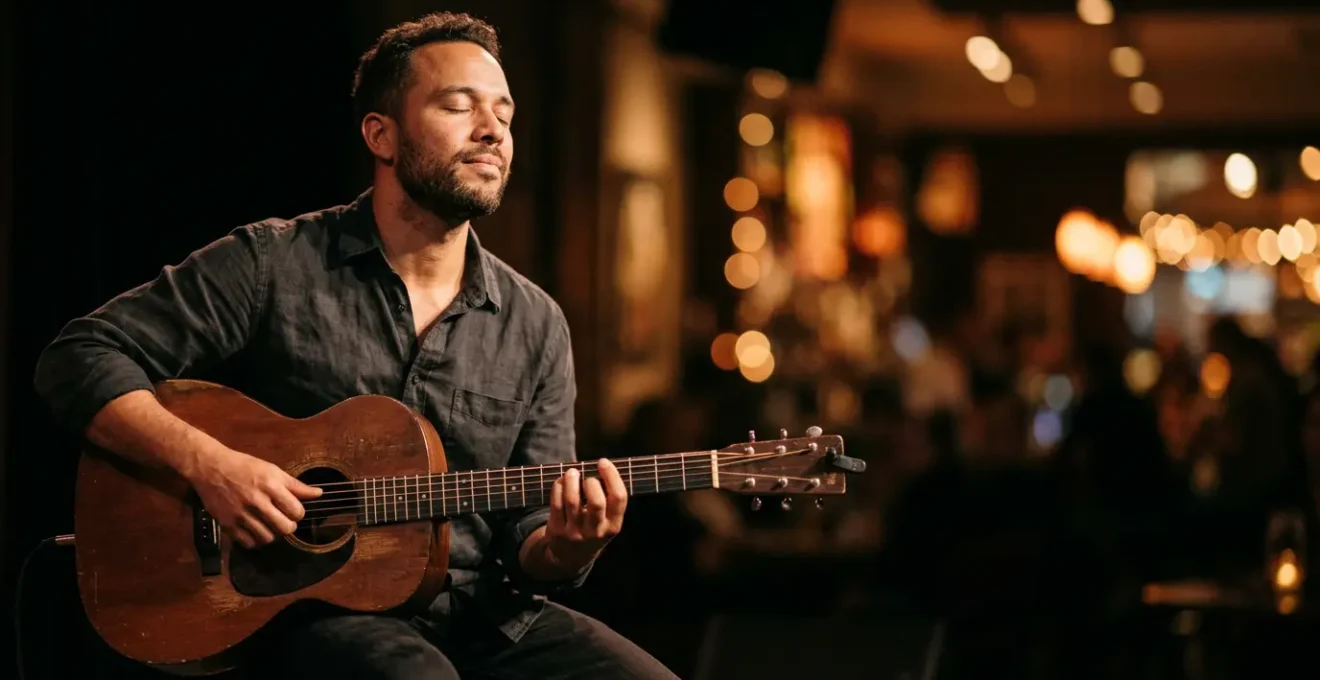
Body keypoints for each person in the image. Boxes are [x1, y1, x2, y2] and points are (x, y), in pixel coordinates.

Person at [32, 11, 678, 680]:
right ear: (382, 134)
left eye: (505, 115)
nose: (494, 131)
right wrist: (213, 468)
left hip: (481, 615)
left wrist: (567, 548)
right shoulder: (273, 264)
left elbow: (528, 543)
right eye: (460, 106)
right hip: (307, 611)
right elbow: (78, 357)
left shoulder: (536, 322)